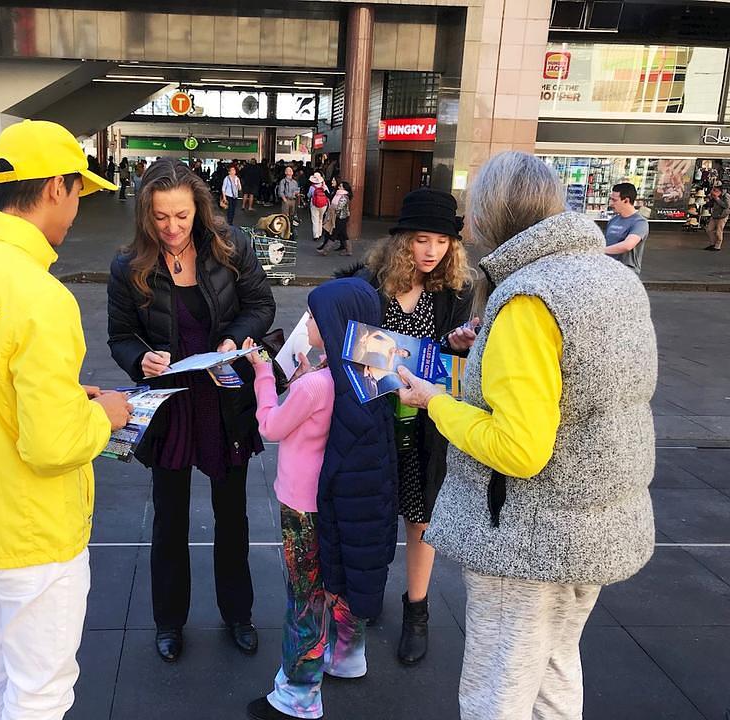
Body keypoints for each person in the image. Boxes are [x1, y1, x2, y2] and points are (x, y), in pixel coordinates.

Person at [397, 152, 657, 720]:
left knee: (498, 691)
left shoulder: (527, 299)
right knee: (556, 671)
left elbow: (519, 448)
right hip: (595, 526)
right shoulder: (610, 278)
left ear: (491, 218)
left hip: (526, 537)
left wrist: (434, 400)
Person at [0, 119, 131, 719]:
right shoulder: (41, 298)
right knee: (40, 690)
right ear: (57, 187)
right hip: (34, 535)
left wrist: (64, 394)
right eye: (78, 194)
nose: (76, 211)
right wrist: (106, 416)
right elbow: (53, 445)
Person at [107, 159, 276, 664]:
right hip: (171, 405)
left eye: (181, 215)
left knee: (233, 515)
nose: (173, 227)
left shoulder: (231, 246)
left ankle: (238, 614)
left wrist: (232, 337)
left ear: (198, 208)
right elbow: (120, 336)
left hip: (224, 398)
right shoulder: (128, 266)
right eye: (160, 217)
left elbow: (262, 305)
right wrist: (142, 358)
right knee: (169, 518)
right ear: (145, 215)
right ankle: (169, 622)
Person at [243, 278, 392, 720]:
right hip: (345, 501)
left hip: (303, 505)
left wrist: (264, 374)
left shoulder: (313, 386)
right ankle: (347, 657)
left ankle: (298, 695)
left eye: (312, 316)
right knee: (340, 582)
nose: (305, 321)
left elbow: (270, 426)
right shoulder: (371, 371)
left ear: (332, 325)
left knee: (304, 595)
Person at [343, 188, 476, 666]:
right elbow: (341, 341)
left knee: (421, 518)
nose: (432, 251)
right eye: (422, 240)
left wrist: (461, 344)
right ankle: (366, 597)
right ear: (402, 241)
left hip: (426, 424)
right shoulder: (368, 284)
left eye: (442, 242)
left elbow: (455, 361)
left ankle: (416, 611)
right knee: (373, 512)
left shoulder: (457, 291)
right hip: (373, 416)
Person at [604, 182, 650, 275]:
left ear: (626, 200)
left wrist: (599, 250)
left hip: (626, 274)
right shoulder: (613, 220)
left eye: (614, 200)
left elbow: (627, 245)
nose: (611, 204)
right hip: (608, 270)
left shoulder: (640, 223)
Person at [317, 180, 352, 256]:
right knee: (343, 234)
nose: (339, 187)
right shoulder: (338, 195)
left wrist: (331, 209)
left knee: (334, 234)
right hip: (339, 217)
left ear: (344, 188)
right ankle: (348, 250)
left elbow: (339, 207)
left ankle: (325, 250)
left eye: (341, 186)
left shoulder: (344, 197)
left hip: (341, 218)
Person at [704, 181, 727, 251]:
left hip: (722, 216)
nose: (714, 192)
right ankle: (712, 244)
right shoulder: (713, 195)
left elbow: (726, 206)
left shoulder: (726, 196)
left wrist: (717, 199)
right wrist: (709, 200)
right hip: (714, 215)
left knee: (718, 231)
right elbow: (710, 204)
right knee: (709, 230)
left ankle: (717, 246)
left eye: (716, 190)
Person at [308, 173, 329, 243]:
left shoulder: (312, 187)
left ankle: (316, 235)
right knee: (321, 219)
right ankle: (320, 233)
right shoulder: (324, 186)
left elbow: (308, 195)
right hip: (323, 205)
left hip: (314, 205)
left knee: (315, 220)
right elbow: (328, 194)